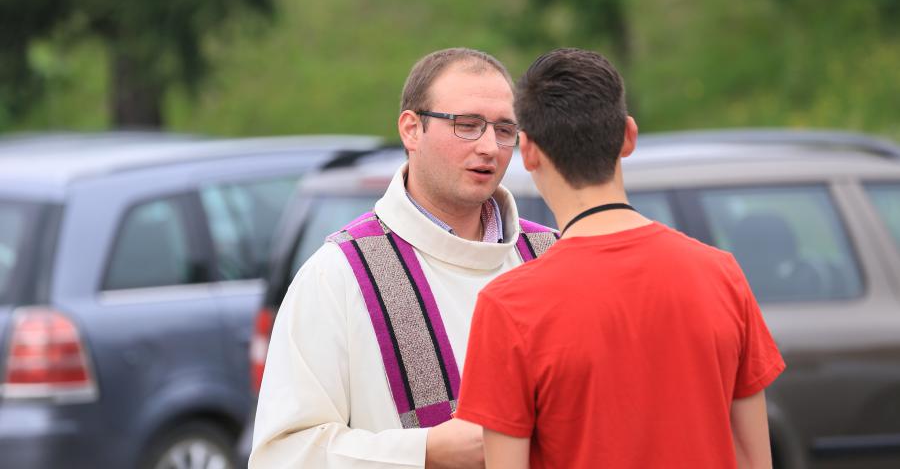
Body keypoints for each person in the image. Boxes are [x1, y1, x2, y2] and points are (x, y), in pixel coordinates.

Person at [454, 48, 785, 469]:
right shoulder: (721, 274)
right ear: (628, 136)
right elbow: (757, 459)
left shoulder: (509, 306)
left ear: (529, 150)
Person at [250, 48, 557, 469]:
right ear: (412, 129)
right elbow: (281, 456)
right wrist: (424, 452)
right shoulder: (339, 275)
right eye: (467, 125)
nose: (490, 146)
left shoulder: (552, 259)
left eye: (505, 129)